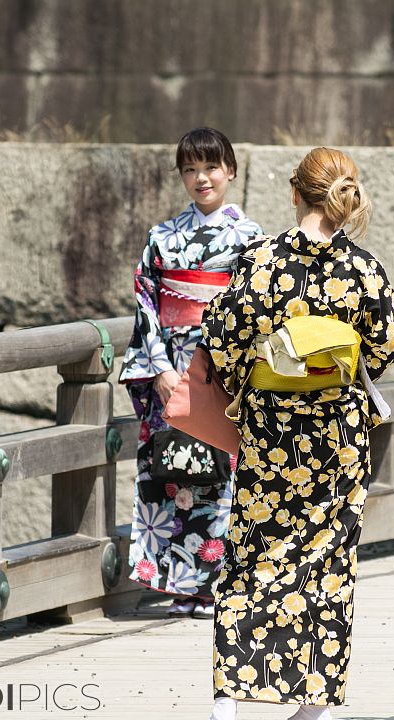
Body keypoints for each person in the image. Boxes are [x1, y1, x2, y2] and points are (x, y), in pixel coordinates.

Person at [201, 147, 394, 720]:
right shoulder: (363, 269)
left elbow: (221, 339)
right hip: (337, 439)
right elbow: (390, 341)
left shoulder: (259, 261)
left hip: (271, 434)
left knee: (252, 557)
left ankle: (230, 697)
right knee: (326, 562)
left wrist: (264, 374)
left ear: (294, 192)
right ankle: (313, 704)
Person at [119, 127, 263, 619]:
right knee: (171, 474)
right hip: (170, 370)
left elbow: (252, 309)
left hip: (220, 374)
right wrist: (159, 368)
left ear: (231, 171)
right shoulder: (162, 237)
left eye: (211, 167)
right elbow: (145, 304)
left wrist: (223, 369)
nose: (201, 178)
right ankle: (178, 585)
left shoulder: (250, 239)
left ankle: (217, 587)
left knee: (222, 478)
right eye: (190, 169)